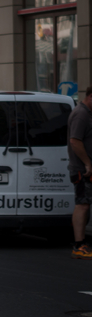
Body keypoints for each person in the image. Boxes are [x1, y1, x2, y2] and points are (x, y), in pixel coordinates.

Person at [68, 85, 92, 259]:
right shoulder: (81, 114)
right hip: (83, 170)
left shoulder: (87, 113)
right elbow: (75, 141)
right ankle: (78, 245)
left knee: (85, 204)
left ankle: (82, 242)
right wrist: (87, 163)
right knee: (82, 204)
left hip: (86, 168)